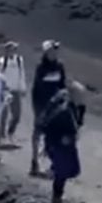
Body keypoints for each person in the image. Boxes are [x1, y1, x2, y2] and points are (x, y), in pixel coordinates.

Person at [37, 88, 83, 203]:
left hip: (65, 147)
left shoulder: (72, 108)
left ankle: (57, 200)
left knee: (71, 170)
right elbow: (47, 126)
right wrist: (59, 140)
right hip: (59, 146)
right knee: (62, 173)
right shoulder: (63, 111)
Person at [30, 39, 68, 176]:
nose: (55, 53)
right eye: (52, 50)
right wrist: (37, 110)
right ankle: (34, 163)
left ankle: (54, 165)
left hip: (56, 106)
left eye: (56, 50)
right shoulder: (41, 67)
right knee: (38, 134)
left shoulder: (60, 66)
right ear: (46, 52)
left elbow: (63, 85)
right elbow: (36, 89)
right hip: (42, 105)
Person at [0, 41, 28, 144]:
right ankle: (2, 136)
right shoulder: (2, 62)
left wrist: (23, 88)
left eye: (14, 49)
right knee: (3, 115)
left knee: (17, 115)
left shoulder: (19, 60)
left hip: (15, 90)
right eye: (11, 49)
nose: (13, 51)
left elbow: (21, 74)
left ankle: (11, 132)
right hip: (5, 91)